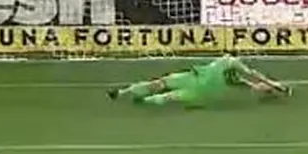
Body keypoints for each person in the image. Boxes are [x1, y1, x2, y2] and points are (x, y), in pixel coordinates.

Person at [105, 54, 291, 107]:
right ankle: (121, 92)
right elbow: (255, 78)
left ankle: (143, 99)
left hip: (199, 90)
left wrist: (273, 88)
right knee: (160, 84)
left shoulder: (236, 80)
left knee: (168, 97)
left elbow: (254, 83)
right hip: (191, 78)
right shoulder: (230, 62)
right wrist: (275, 87)